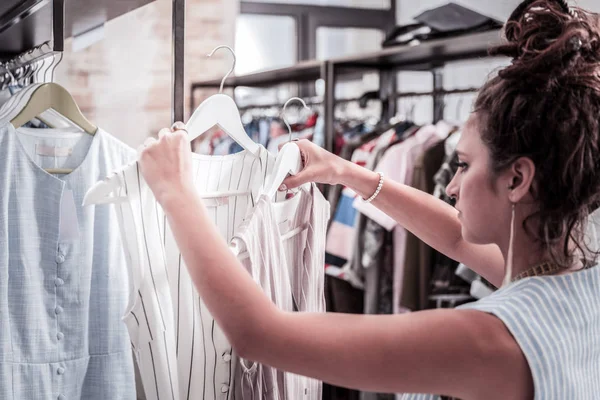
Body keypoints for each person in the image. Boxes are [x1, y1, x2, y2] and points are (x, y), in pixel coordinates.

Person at [138, 1, 600, 398]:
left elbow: (260, 335)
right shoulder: (578, 282)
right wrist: (346, 172)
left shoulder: (486, 341)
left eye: (462, 165)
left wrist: (176, 192)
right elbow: (458, 239)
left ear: (517, 179)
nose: (451, 186)